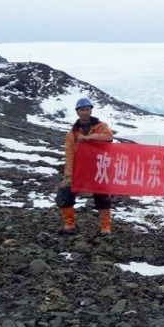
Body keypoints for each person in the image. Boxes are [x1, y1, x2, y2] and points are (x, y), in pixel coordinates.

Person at [56, 97, 114, 235]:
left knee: (102, 196)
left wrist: (89, 138)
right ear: (77, 112)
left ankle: (105, 227)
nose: (85, 112)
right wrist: (68, 175)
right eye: (82, 110)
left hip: (98, 167)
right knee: (65, 193)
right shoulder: (72, 133)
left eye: (87, 109)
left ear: (91, 110)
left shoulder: (101, 126)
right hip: (79, 169)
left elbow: (109, 137)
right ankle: (69, 225)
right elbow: (69, 154)